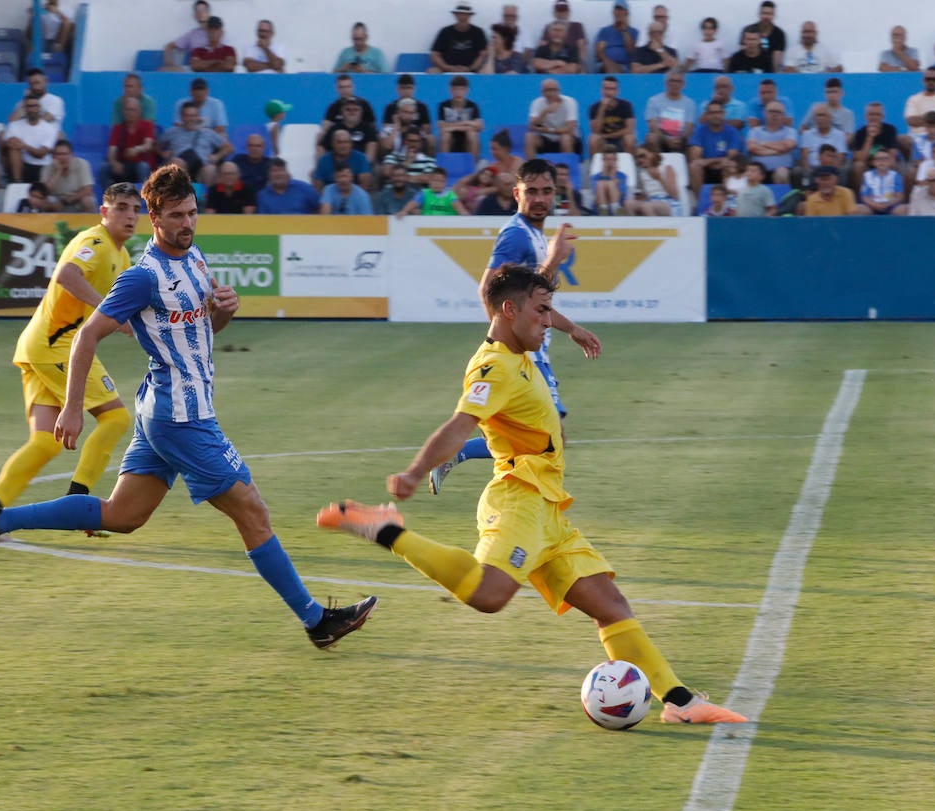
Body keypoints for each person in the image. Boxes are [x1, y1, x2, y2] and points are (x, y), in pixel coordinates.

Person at [0, 165, 378, 650]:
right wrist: (73, 408)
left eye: (193, 213)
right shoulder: (142, 277)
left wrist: (223, 311)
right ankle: (315, 620)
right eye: (177, 215)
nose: (188, 224)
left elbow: (202, 334)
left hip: (164, 409)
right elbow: (85, 339)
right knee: (254, 514)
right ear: (154, 218)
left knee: (123, 515)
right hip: (182, 418)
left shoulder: (195, 258)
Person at [317, 263, 744, 724]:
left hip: (548, 506)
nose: (547, 321)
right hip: (519, 497)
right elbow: (460, 425)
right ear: (509, 309)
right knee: (489, 594)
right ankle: (388, 531)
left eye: (550, 311)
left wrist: (572, 327)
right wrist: (416, 472)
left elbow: (538, 318)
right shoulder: (494, 367)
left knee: (611, 605)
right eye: (541, 312)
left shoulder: (518, 348)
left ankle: (679, 702)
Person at [0, 181, 141, 545]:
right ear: (104, 212)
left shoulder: (121, 257)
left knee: (45, 442)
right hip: (56, 347)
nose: (130, 215)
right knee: (116, 418)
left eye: (135, 209)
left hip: (40, 346)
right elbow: (66, 275)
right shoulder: (95, 242)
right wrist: (104, 308)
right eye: (121, 207)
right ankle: (75, 504)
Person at [427, 159, 600, 495]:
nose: (539, 198)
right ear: (516, 193)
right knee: (549, 440)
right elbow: (488, 290)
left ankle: (468, 462)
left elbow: (534, 300)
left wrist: (571, 328)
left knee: (543, 438)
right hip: (525, 356)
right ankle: (525, 515)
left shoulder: (533, 234)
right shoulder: (516, 236)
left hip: (534, 352)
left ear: (555, 194)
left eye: (546, 191)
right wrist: (505, 342)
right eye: (531, 191)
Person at [159, 101, 231, 187]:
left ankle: (206, 198)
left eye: (193, 116)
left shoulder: (207, 132)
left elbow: (228, 147)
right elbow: (156, 144)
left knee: (210, 169)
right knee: (176, 163)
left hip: (201, 167)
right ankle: (178, 196)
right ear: (182, 117)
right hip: (181, 165)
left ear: (198, 117)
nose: (191, 119)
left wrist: (217, 156)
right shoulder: (172, 132)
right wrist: (162, 153)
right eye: (187, 116)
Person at [1, 97, 60, 184]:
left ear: (39, 108)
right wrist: (11, 143)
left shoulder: (50, 128)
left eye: (34, 106)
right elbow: (5, 145)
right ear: (25, 108)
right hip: (22, 165)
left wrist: (24, 146)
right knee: (13, 147)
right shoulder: (15, 125)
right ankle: (17, 183)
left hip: (42, 166)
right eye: (29, 106)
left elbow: (41, 154)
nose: (32, 109)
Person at [103, 97, 158, 188]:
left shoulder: (148, 125)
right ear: (123, 112)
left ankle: (144, 198)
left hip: (140, 164)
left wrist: (136, 149)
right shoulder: (118, 128)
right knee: (104, 168)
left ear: (139, 112)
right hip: (123, 165)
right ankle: (108, 198)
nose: (129, 112)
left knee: (143, 167)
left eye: (132, 110)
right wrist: (114, 162)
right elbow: (111, 150)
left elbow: (148, 145)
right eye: (127, 110)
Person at [690, 101, 744, 189]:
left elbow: (732, 157)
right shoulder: (699, 131)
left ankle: (728, 199)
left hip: (723, 167)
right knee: (694, 166)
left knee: (730, 165)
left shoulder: (732, 132)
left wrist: (707, 161)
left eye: (718, 112)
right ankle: (700, 201)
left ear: (724, 114)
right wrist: (716, 161)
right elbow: (695, 157)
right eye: (712, 113)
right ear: (706, 115)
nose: (715, 116)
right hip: (706, 169)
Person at [746, 100, 798, 186]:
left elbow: (786, 146)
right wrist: (778, 151)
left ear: (783, 115)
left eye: (778, 112)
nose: (774, 114)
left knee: (782, 173)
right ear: (765, 113)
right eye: (771, 111)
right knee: (751, 173)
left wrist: (762, 143)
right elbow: (752, 148)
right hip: (758, 171)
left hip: (782, 170)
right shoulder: (755, 131)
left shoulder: (790, 131)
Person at [644, 71, 697, 155]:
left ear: (683, 84)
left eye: (678, 81)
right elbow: (653, 127)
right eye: (672, 81)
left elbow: (689, 127)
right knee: (651, 138)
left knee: (694, 141)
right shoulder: (654, 101)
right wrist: (667, 139)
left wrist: (679, 139)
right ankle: (658, 164)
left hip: (681, 140)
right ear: (666, 83)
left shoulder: (689, 103)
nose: (675, 84)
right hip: (661, 139)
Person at [524, 79, 579, 158]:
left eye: (554, 90)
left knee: (565, 138)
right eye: (548, 90)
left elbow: (570, 129)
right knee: (529, 136)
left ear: (559, 91)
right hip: (545, 138)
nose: (552, 93)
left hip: (565, 137)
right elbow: (531, 126)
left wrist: (549, 130)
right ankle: (532, 167)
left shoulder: (570, 102)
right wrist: (545, 112)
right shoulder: (536, 103)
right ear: (542, 92)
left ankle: (567, 166)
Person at [431, 4, 489, 74]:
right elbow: (435, 54)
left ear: (470, 16)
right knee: (432, 71)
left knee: (485, 73)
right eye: (460, 14)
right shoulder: (445, 31)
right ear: (455, 15)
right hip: (447, 70)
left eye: (466, 14)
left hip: (472, 71)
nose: (463, 17)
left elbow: (483, 55)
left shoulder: (478, 32)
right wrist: (447, 67)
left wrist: (470, 68)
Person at [42, 139, 96, 213]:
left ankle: (91, 223)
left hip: (76, 198)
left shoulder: (82, 164)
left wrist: (65, 202)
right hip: (56, 199)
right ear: (53, 156)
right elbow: (43, 192)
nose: (62, 157)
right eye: (58, 154)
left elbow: (87, 190)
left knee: (86, 200)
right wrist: (58, 172)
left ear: (72, 155)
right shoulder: (47, 167)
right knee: (42, 201)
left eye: (64, 154)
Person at [588, 76, 637, 155]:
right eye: (606, 88)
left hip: (620, 138)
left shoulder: (626, 105)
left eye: (612, 89)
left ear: (617, 91)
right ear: (602, 90)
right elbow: (595, 131)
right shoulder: (594, 107)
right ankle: (596, 165)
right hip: (603, 140)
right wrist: (602, 109)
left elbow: (629, 129)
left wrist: (608, 136)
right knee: (593, 139)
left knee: (629, 138)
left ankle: (630, 165)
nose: (609, 92)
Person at [437, 75, 484, 156]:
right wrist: (467, 124)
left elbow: (480, 126)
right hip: (451, 137)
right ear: (450, 90)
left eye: (461, 89)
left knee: (472, 135)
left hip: (466, 138)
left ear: (467, 90)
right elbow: (441, 127)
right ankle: (444, 166)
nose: (458, 93)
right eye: (455, 89)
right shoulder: (443, 105)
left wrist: (452, 127)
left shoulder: (472, 106)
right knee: (445, 136)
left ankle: (473, 166)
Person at [255, 157, 319, 214]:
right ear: (268, 176)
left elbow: (320, 208)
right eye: (274, 171)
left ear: (288, 173)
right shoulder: (262, 196)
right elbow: (262, 221)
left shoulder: (305, 188)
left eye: (281, 170)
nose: (279, 174)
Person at [628, 146, 680, 215]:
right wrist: (639, 197)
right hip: (650, 200)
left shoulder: (666, 168)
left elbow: (675, 195)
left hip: (667, 201)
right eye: (637, 157)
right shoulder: (642, 173)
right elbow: (644, 195)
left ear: (652, 154)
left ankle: (655, 226)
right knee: (629, 204)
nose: (640, 160)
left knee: (647, 206)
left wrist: (660, 179)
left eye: (642, 156)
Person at [397, 166, 468, 216]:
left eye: (440, 181)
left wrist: (467, 217)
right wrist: (404, 211)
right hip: (427, 228)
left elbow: (461, 209)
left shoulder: (451, 195)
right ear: (429, 181)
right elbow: (413, 203)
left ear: (445, 183)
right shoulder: (424, 193)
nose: (437, 183)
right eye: (434, 180)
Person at [163, 0, 211, 71]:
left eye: (203, 10)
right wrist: (169, 62)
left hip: (212, 68)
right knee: (163, 70)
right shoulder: (192, 35)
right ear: (195, 15)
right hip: (194, 68)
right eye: (198, 11)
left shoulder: (216, 31)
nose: (201, 13)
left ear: (208, 13)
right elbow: (169, 46)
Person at [595, 1, 639, 73]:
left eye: (621, 10)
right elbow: (599, 54)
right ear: (613, 12)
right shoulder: (604, 31)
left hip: (626, 66)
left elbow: (632, 53)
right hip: (605, 64)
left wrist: (624, 30)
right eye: (616, 10)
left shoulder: (634, 32)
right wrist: (609, 62)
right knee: (610, 68)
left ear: (627, 13)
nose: (618, 12)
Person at [860, 147, 906, 214]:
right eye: (878, 159)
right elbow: (865, 197)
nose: (882, 162)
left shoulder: (895, 175)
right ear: (874, 162)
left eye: (885, 159)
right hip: (872, 206)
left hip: (891, 206)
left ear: (890, 162)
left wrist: (888, 204)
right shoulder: (867, 175)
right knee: (859, 209)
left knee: (904, 209)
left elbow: (899, 196)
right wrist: (874, 205)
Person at [745, 0, 788, 70]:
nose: (766, 17)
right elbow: (743, 54)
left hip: (769, 71)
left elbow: (776, 62)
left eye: (770, 14)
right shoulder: (748, 30)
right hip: (748, 69)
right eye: (764, 13)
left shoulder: (780, 34)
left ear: (774, 15)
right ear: (759, 14)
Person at [590, 148, 629, 215]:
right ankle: (603, 211)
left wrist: (613, 176)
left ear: (616, 160)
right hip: (599, 207)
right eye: (607, 159)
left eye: (612, 159)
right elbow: (595, 194)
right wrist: (604, 174)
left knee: (610, 184)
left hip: (617, 204)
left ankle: (615, 210)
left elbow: (621, 194)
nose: (609, 162)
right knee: (600, 184)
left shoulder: (622, 176)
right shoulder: (595, 176)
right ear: (603, 160)